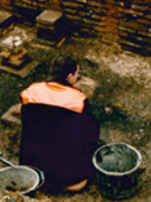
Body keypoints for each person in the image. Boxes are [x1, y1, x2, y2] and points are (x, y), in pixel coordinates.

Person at [19, 53, 99, 193]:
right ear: (69, 76)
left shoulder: (32, 91)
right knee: (80, 179)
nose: (77, 76)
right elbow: (91, 132)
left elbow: (26, 121)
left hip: (34, 162)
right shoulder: (77, 100)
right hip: (66, 172)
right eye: (77, 73)